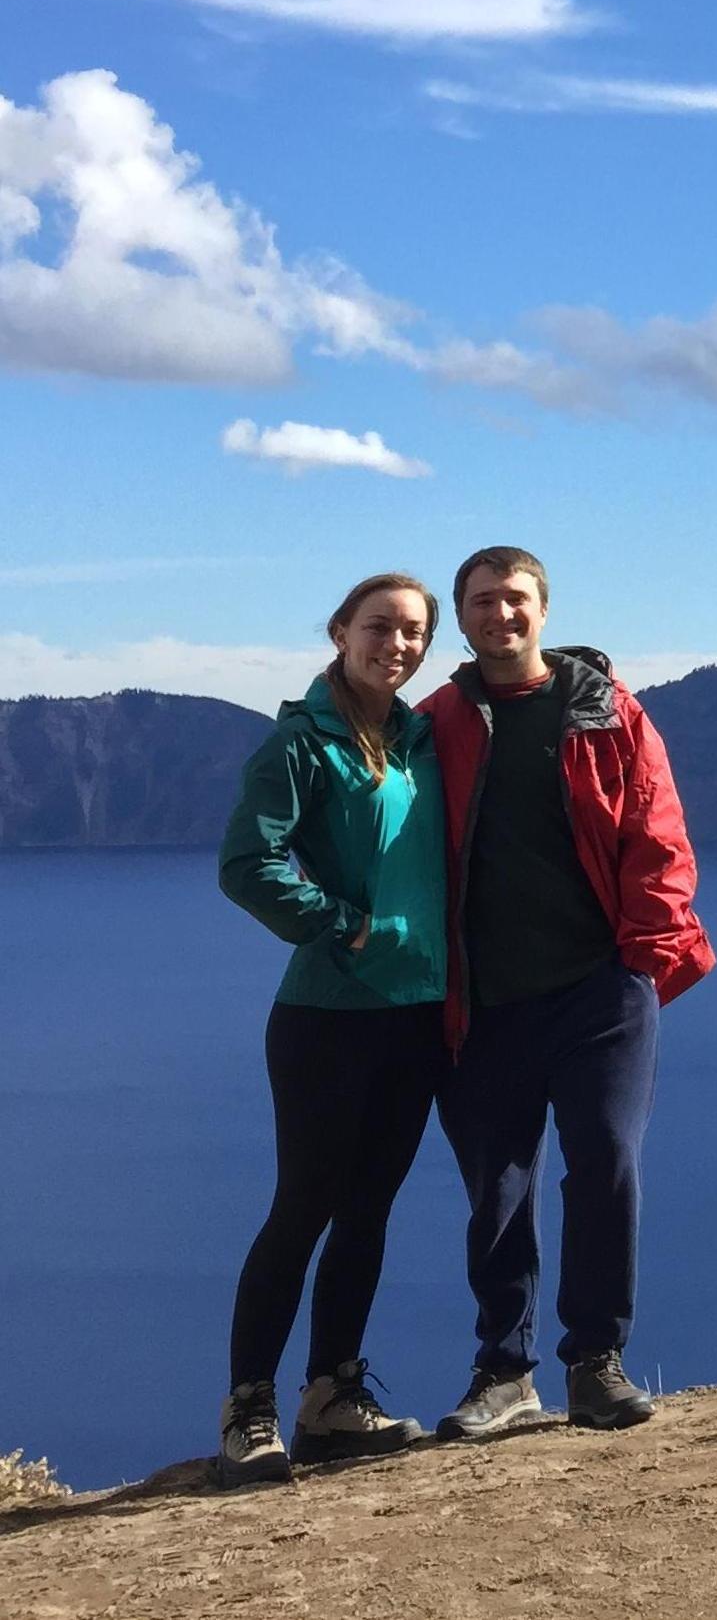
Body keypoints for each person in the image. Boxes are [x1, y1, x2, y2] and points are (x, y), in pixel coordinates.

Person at [419, 545, 713, 1441]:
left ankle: (595, 1361)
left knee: (606, 1164)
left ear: (543, 608)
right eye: (480, 602)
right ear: (460, 620)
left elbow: (656, 835)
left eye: (514, 599)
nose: (498, 615)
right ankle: (503, 1372)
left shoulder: (608, 711)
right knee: (497, 1187)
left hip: (599, 989)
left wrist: (643, 960)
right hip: (485, 1000)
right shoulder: (435, 721)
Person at [215, 573, 448, 1488]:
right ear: (340, 630)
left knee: (368, 1210)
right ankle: (248, 1410)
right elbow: (246, 863)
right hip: (327, 1014)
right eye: (380, 626)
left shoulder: (424, 736)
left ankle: (332, 1396)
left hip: (416, 1013)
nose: (398, 642)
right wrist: (342, 922)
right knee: (303, 1206)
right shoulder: (299, 744)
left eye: (415, 631)